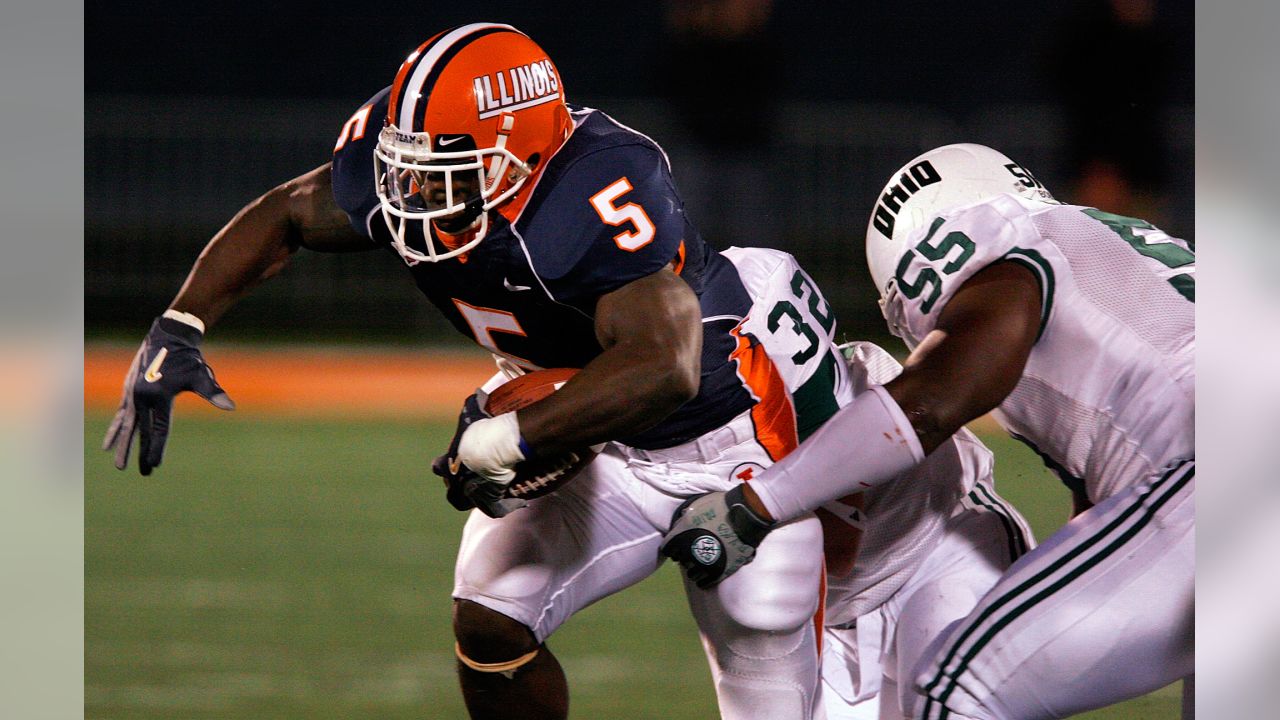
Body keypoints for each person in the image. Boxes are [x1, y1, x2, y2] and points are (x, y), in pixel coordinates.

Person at [103, 22, 856, 720]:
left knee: (769, 685)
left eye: (443, 174)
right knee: (491, 621)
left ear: (521, 156)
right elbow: (291, 211)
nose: (412, 195)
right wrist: (182, 321)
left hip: (724, 445)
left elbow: (664, 368)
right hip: (585, 430)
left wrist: (508, 439)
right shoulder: (413, 162)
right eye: (408, 170)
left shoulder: (595, 192)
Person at [662, 143, 1194, 718]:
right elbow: (1111, 506)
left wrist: (755, 505)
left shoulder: (1012, 243)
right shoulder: (1123, 256)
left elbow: (934, 400)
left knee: (954, 692)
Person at [814, 341, 1035, 720]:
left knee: (956, 708)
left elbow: (838, 549)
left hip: (944, 553)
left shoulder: (854, 379)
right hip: (832, 618)